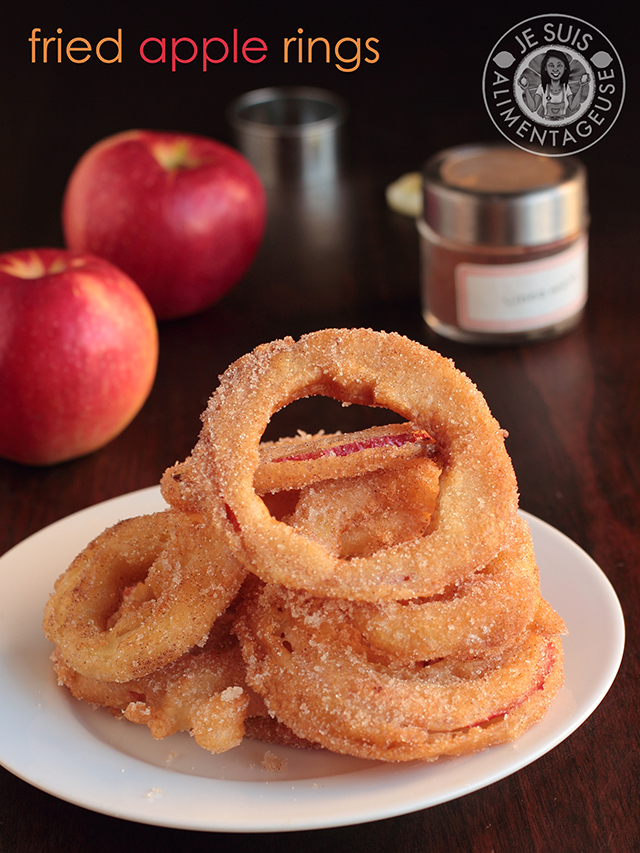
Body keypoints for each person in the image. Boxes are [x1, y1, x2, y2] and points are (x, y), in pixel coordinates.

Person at [519, 48, 588, 120]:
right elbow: (533, 108)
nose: (555, 69)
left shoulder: (566, 88)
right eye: (551, 65)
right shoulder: (542, 87)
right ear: (545, 68)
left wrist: (581, 86)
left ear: (565, 68)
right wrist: (526, 89)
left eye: (559, 65)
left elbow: (573, 107)